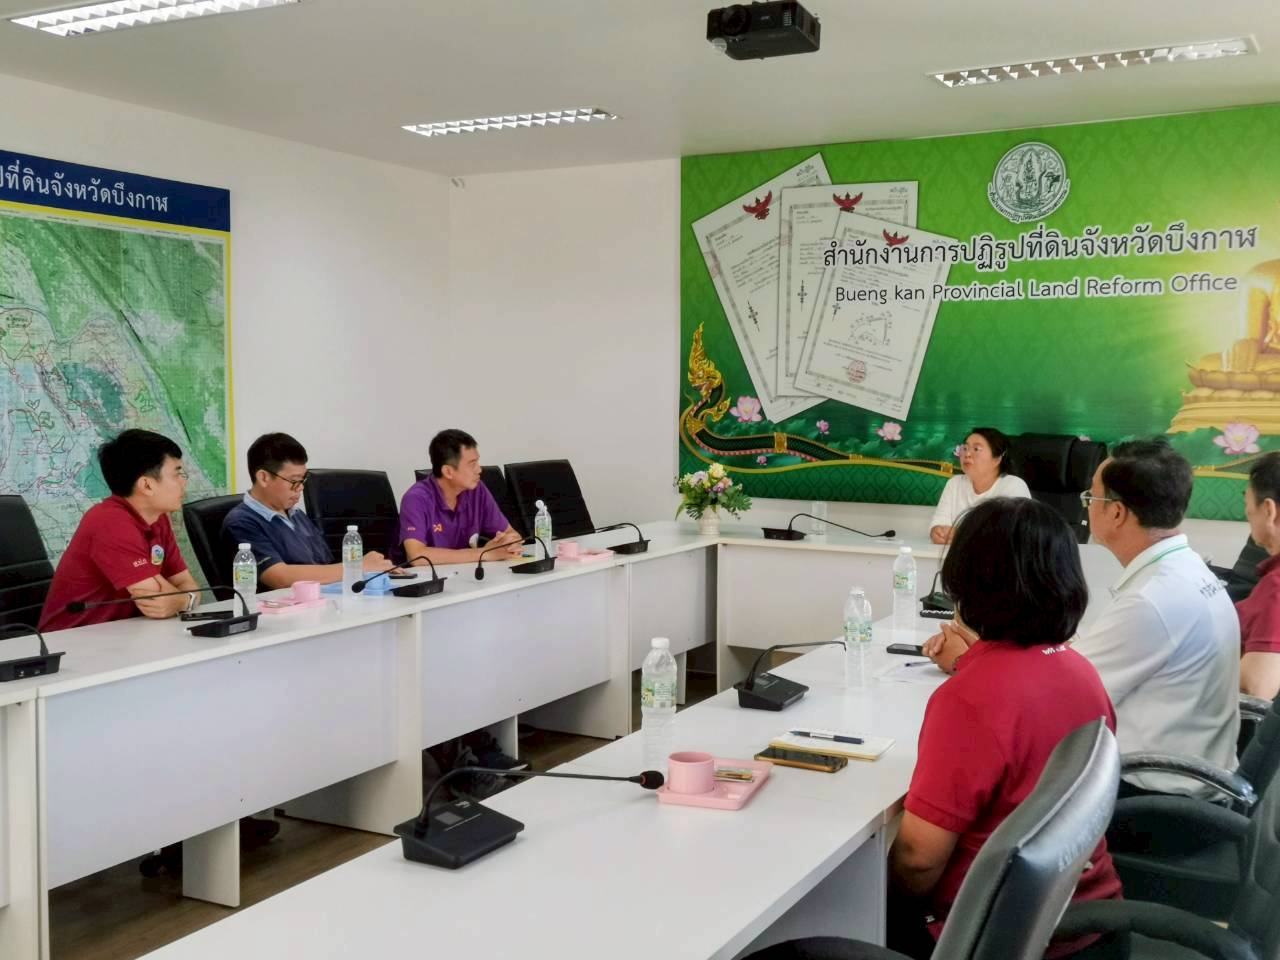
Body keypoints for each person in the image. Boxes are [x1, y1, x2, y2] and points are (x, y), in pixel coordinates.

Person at [899, 498, 1122, 959]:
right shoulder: (1080, 671)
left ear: (966, 581)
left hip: (993, 934)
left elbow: (917, 861)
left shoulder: (971, 697)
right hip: (1090, 920)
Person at [1072, 438, 1239, 796]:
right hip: (1194, 777)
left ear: (1116, 513)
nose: (1087, 507)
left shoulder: (1154, 599)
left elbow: (1064, 690)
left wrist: (970, 657)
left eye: (1091, 498)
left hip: (1152, 798)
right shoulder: (1184, 570)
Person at [40, 429, 204, 633]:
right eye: (177, 473)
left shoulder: (158, 518)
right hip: (71, 644)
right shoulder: (108, 521)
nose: (184, 481)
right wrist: (187, 599)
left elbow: (185, 582)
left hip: (124, 635)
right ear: (147, 485)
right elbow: (156, 599)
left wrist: (182, 600)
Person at [221, 432, 393, 589]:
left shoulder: (296, 514)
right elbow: (280, 577)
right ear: (264, 477)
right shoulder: (241, 522)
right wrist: (356, 567)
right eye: (294, 480)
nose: (301, 488)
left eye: (303, 479)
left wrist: (372, 571)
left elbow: (324, 565)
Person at [400, 429, 523, 565]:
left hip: (466, 575)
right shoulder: (415, 498)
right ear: (448, 471)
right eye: (472, 464)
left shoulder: (477, 489)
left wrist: (509, 543)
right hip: (424, 582)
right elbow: (416, 556)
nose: (479, 470)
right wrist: (484, 553)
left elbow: (511, 533)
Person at [929, 427, 1030, 544]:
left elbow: (1011, 535)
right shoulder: (954, 483)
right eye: (965, 448)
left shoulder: (1013, 486)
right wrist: (937, 531)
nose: (967, 454)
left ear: (997, 459)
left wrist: (961, 534)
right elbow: (940, 520)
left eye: (976, 449)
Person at [1236, 451, 1280, 698]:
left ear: (1268, 510)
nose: (1248, 516)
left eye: (1248, 505)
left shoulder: (1276, 587)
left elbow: (1258, 685)